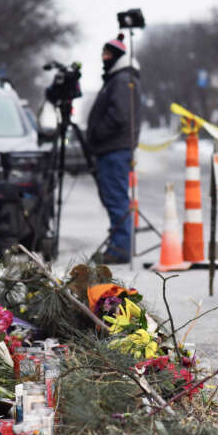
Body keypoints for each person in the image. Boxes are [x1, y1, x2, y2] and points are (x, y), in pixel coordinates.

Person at [87, 33, 142, 264]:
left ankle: (120, 248)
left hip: (114, 149)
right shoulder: (118, 79)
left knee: (116, 198)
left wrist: (98, 132)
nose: (103, 57)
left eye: (108, 54)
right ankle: (118, 244)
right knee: (114, 198)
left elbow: (119, 115)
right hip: (113, 149)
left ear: (117, 57)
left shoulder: (121, 80)